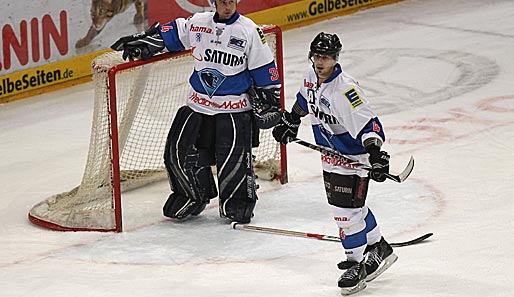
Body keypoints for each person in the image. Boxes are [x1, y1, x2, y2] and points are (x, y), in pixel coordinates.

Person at [110, 0, 282, 224]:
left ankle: (237, 202)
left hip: (234, 108)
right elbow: (172, 33)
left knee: (234, 161)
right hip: (198, 104)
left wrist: (272, 100)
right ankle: (192, 196)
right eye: (222, 1)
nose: (227, 6)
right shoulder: (198, 23)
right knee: (178, 152)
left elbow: (265, 70)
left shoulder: (249, 30)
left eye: (231, 0)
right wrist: (149, 41)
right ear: (214, 2)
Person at [272, 32, 398, 295]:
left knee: (345, 214)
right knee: (354, 208)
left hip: (352, 158)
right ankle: (379, 248)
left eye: (326, 57)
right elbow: (303, 100)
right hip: (330, 155)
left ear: (335, 58)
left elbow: (369, 124)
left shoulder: (346, 89)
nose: (321, 61)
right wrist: (292, 120)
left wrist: (375, 155)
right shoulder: (310, 75)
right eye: (317, 55)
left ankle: (355, 264)